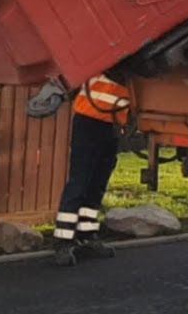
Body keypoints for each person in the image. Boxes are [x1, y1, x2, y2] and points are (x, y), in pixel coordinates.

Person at [29, 73, 131, 267]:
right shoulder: (114, 56)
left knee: (97, 184)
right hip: (89, 120)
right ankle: (63, 242)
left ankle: (87, 235)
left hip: (111, 124)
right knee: (80, 183)